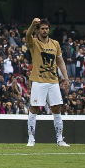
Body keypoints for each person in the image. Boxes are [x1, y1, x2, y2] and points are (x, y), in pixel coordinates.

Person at [25, 18, 69, 147]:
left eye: (46, 28)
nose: (45, 30)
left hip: (53, 80)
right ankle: (31, 139)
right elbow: (28, 35)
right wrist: (33, 24)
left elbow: (60, 61)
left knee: (56, 108)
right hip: (38, 80)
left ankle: (60, 139)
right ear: (38, 30)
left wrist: (66, 78)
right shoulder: (34, 42)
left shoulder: (55, 44)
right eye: (42, 28)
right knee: (34, 108)